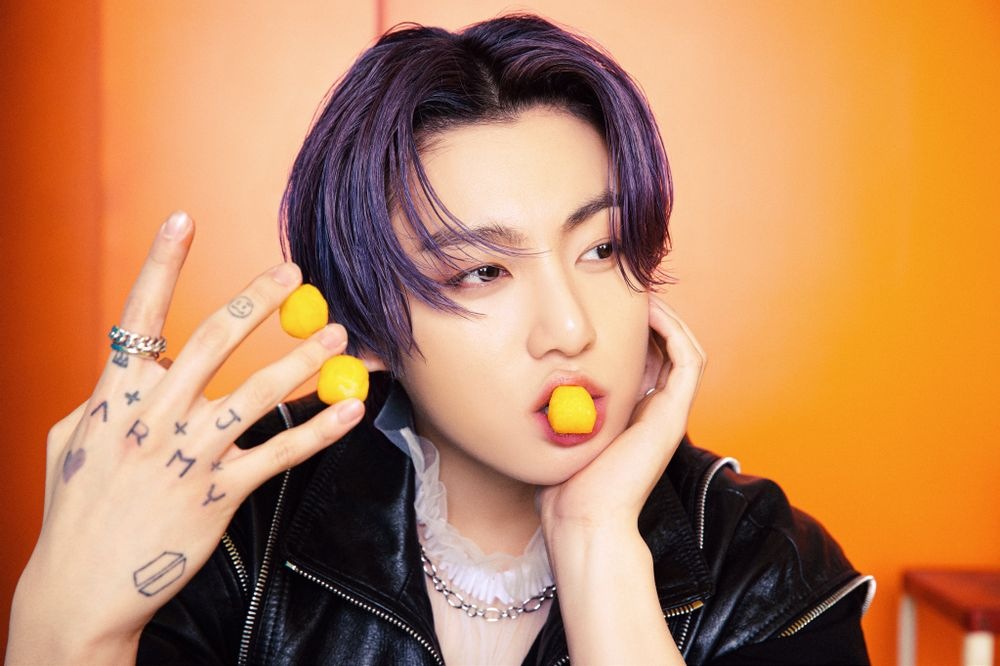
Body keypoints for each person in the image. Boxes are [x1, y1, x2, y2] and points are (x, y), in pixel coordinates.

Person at [6, 13, 875, 666]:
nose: (571, 329)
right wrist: (68, 625)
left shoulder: (770, 570)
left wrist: (596, 542)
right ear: (368, 327)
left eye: (602, 248)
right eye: (481, 272)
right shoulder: (229, 528)